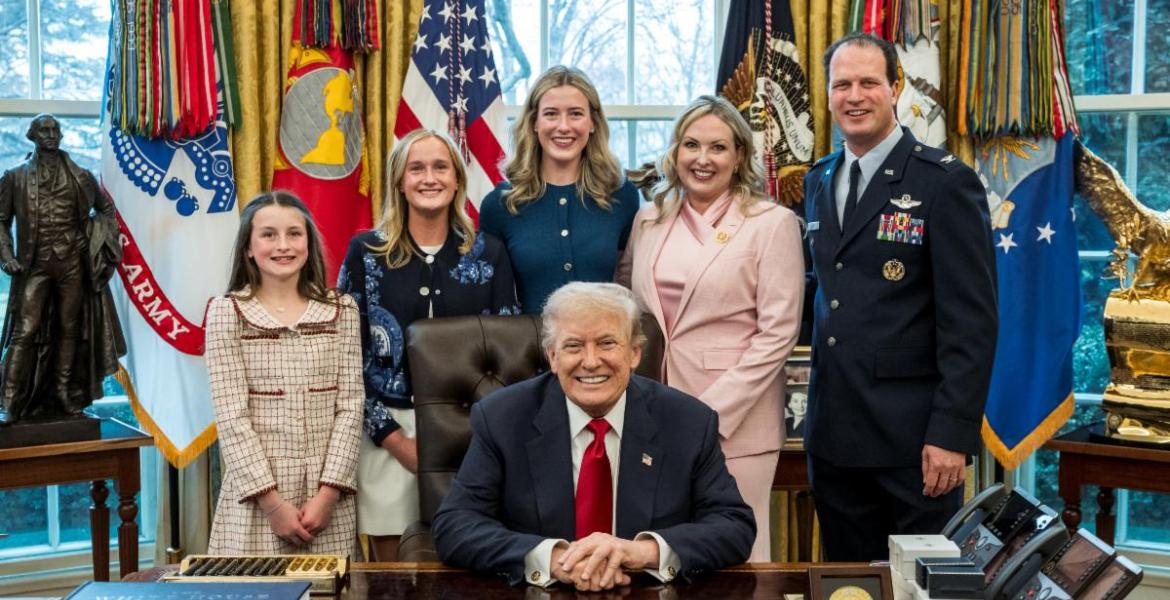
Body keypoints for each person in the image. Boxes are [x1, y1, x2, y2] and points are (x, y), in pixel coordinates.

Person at [802, 33, 997, 561]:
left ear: (895, 88)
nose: (854, 96)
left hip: (914, 443)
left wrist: (952, 434)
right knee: (849, 585)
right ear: (828, 94)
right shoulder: (819, 180)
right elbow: (825, 298)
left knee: (922, 586)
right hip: (833, 435)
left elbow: (971, 324)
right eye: (841, 84)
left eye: (868, 82)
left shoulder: (944, 182)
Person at [432, 282, 754, 590]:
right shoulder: (502, 418)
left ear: (635, 353)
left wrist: (641, 552)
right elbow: (455, 525)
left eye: (606, 343)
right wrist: (553, 559)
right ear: (553, 356)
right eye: (573, 346)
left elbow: (733, 525)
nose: (590, 362)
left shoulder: (688, 422)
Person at [618, 95, 805, 561]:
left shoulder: (772, 223)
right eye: (691, 145)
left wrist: (707, 415)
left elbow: (777, 334)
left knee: (737, 553)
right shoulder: (649, 219)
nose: (702, 159)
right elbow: (629, 305)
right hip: (655, 414)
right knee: (661, 552)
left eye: (717, 147)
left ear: (739, 155)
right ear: (675, 151)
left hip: (736, 420)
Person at [338, 129, 519, 560]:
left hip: (475, 435)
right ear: (400, 182)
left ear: (457, 180)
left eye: (440, 167)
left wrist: (479, 437)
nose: (429, 178)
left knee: (468, 564)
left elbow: (508, 357)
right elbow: (346, 358)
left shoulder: (488, 253)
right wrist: (392, 438)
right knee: (393, 573)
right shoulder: (366, 252)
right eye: (416, 168)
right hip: (387, 432)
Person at [205, 191, 362, 555]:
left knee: (329, 585)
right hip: (257, 499)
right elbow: (231, 417)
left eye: (294, 234)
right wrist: (273, 505)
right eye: (268, 235)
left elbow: (351, 408)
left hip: (327, 499)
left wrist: (328, 494)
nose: (283, 245)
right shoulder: (227, 313)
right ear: (248, 247)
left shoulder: (342, 310)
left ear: (308, 242)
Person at [479, 66, 640, 314]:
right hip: (528, 338)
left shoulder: (621, 195)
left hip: (607, 336)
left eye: (575, 114)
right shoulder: (500, 204)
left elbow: (628, 281)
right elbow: (491, 296)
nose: (563, 127)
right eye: (551, 114)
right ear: (534, 123)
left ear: (593, 123)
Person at [0, 114, 125, 425]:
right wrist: (7, 257)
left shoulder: (81, 176)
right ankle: (9, 401)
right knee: (24, 331)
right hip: (34, 266)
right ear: (32, 136)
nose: (51, 134)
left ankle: (63, 394)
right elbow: (1, 221)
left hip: (72, 265)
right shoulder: (15, 177)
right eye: (44, 130)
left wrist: (95, 239)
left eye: (55, 129)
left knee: (70, 330)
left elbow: (106, 210)